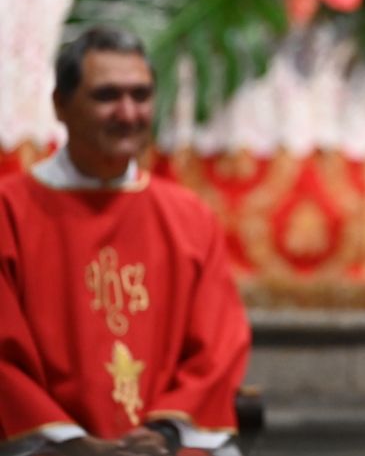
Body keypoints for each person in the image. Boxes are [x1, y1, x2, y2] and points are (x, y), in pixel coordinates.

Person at [0, 27, 251, 456]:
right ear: (60, 104)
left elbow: (217, 347)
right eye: (107, 96)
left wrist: (163, 434)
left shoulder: (189, 218)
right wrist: (75, 445)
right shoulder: (10, 211)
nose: (128, 112)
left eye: (141, 95)